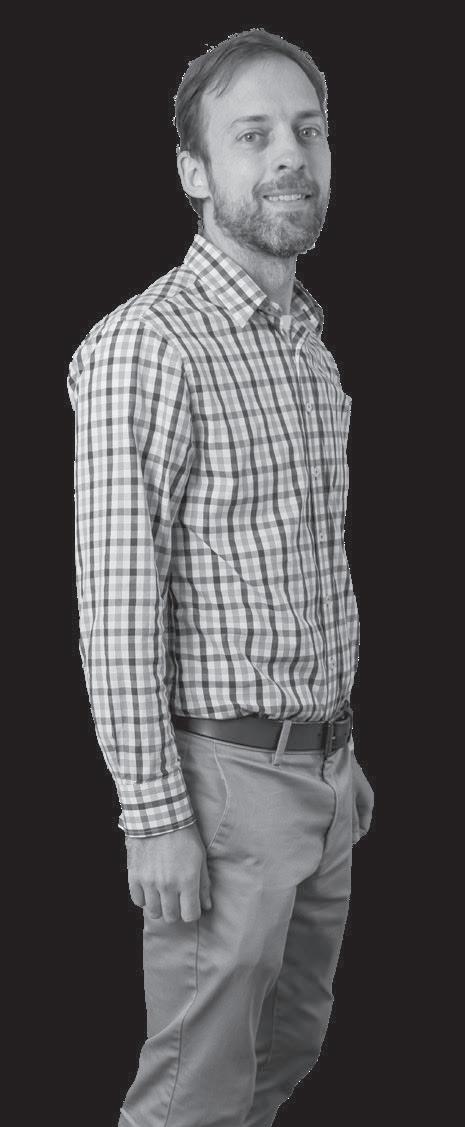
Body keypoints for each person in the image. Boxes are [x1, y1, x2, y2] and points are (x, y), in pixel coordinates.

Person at [67, 27, 374, 1127]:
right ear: (194, 173)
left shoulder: (306, 345)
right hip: (221, 791)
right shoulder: (148, 344)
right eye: (253, 135)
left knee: (283, 1059)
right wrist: (155, 817)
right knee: (190, 1100)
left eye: (308, 130)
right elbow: (117, 600)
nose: (290, 153)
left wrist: (340, 767)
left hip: (323, 779)